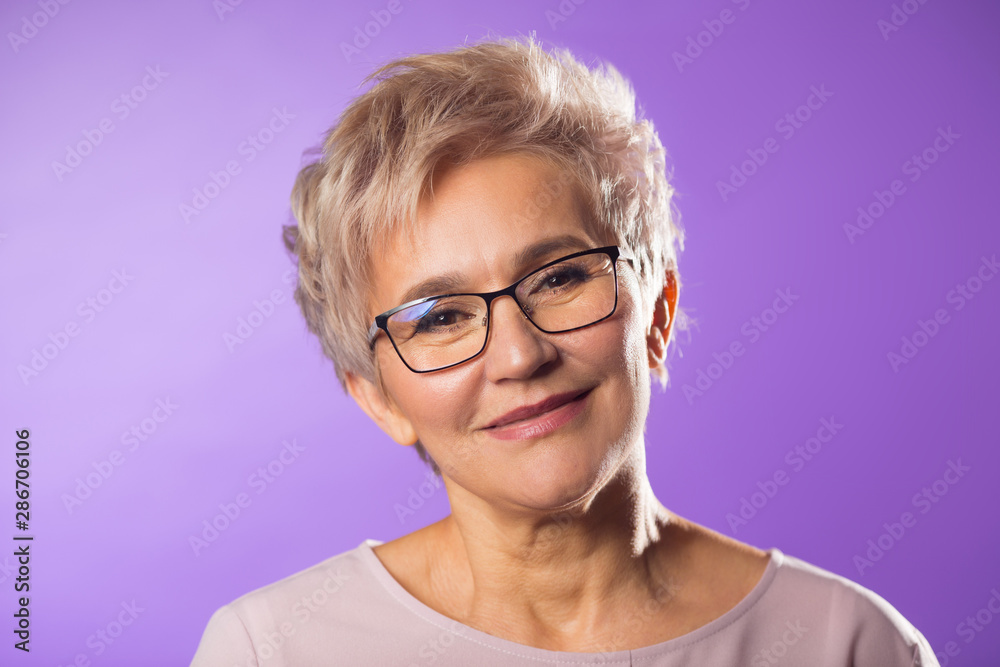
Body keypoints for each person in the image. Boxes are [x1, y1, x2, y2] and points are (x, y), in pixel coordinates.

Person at [190, 36, 939, 666]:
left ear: (658, 311)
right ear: (379, 397)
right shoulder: (271, 650)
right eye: (442, 316)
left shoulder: (850, 642)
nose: (519, 356)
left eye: (558, 278)